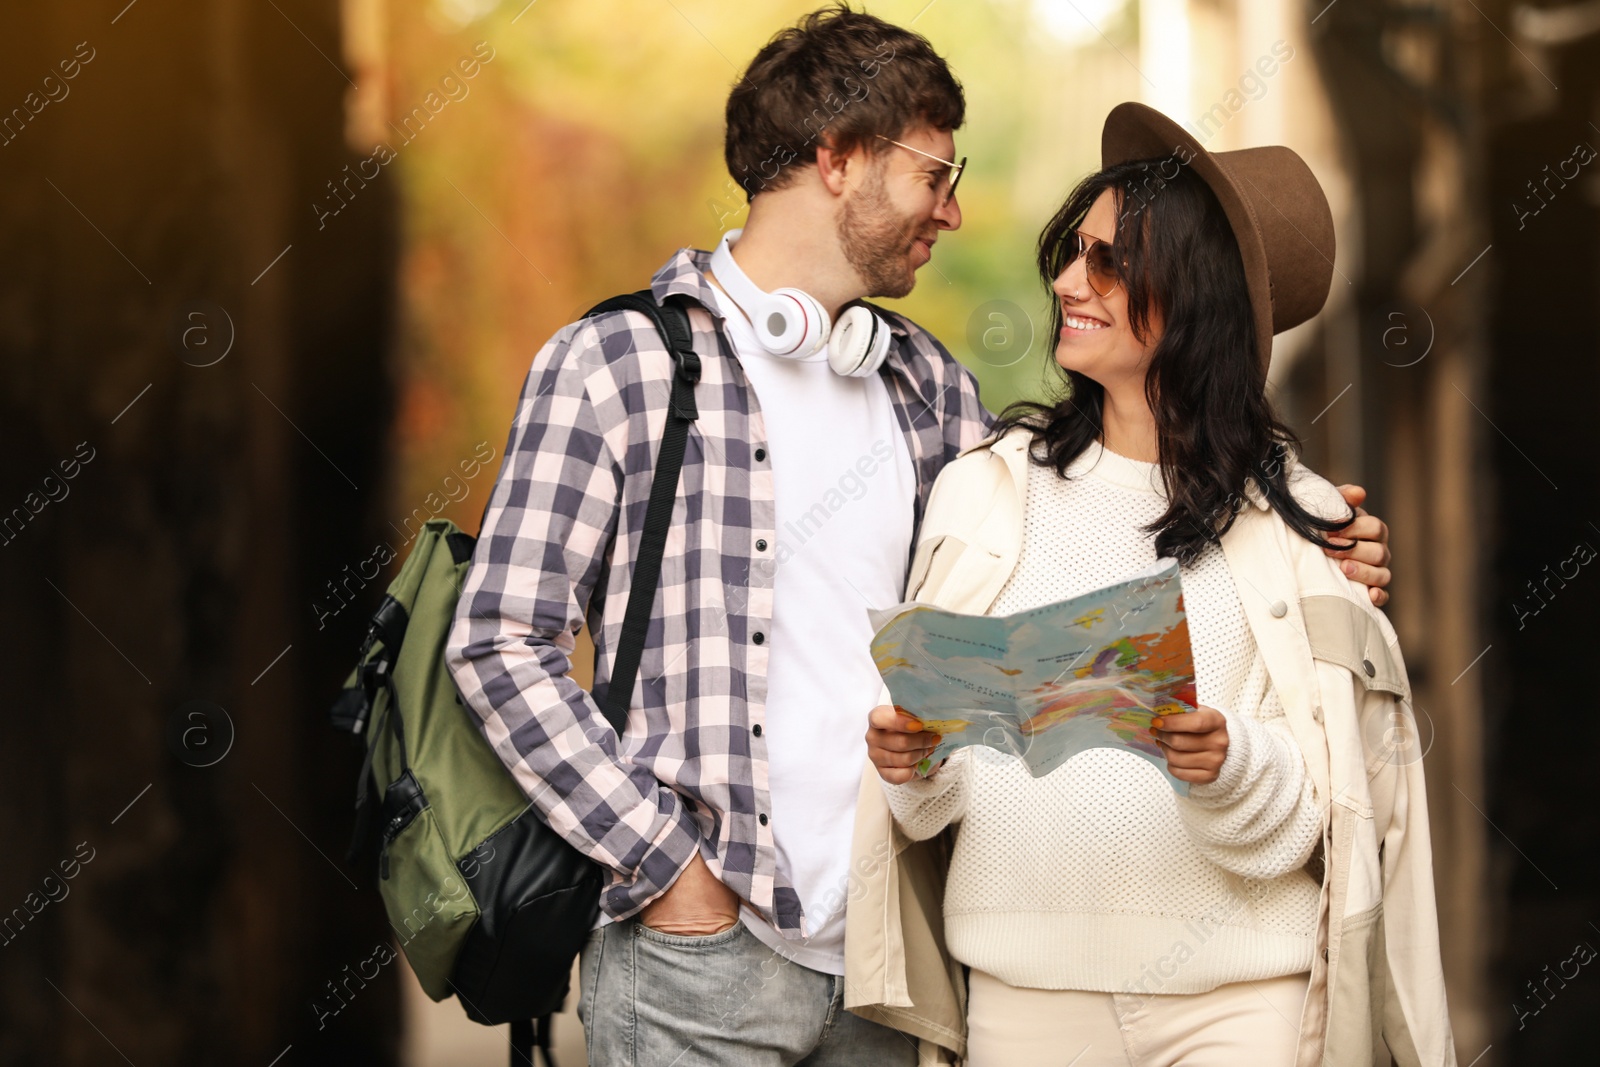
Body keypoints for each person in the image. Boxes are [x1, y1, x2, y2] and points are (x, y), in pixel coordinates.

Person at [444, 7, 1394, 1064]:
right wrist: (666, 863)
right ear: (838, 157)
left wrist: (1303, 533)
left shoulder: (926, 386)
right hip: (693, 961)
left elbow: (1090, 525)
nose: (952, 208)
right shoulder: (614, 365)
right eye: (935, 174)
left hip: (884, 965)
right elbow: (497, 642)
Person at [854, 103, 1453, 1066]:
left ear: (1197, 292)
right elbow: (941, 805)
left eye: (1106, 262)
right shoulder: (984, 491)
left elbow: (1318, 816)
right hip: (1025, 1000)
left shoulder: (1302, 527)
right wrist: (913, 760)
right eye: (1070, 253)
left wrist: (1226, 763)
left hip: (1241, 1008)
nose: (1064, 283)